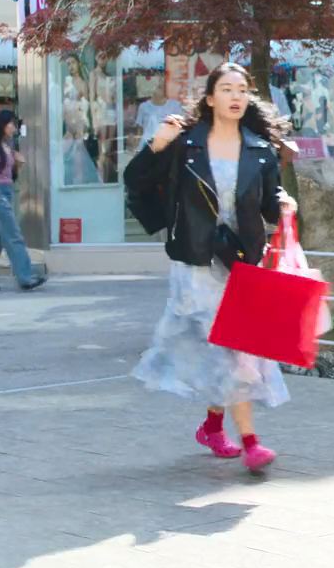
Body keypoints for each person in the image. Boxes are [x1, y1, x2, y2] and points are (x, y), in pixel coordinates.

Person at [124, 61, 298, 472]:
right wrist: (156, 146)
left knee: (233, 349)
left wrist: (284, 204)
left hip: (240, 259)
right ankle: (251, 442)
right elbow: (135, 181)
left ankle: (213, 426)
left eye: (242, 90)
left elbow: (268, 202)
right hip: (197, 261)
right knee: (229, 350)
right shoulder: (185, 144)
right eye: (227, 89)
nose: (236, 97)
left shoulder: (259, 149)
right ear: (209, 98)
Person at [0, 110, 45, 292]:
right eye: (11, 124)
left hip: (7, 192)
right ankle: (25, 277)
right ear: (2, 125)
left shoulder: (6, 146)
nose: (14, 127)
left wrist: (18, 165)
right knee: (13, 235)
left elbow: (9, 176)